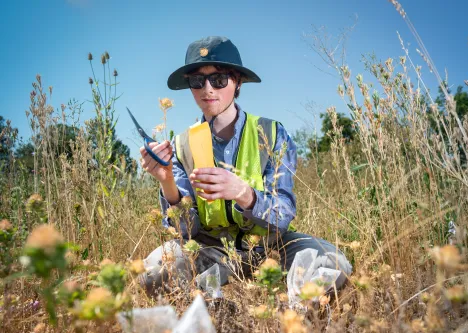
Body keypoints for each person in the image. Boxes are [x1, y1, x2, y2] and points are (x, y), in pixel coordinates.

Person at [139, 36, 352, 296]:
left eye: (218, 79)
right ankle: (216, 311)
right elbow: (185, 231)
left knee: (332, 264)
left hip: (272, 245)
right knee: (154, 272)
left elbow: (283, 215)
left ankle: (294, 322)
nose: (208, 89)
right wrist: (167, 182)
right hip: (212, 249)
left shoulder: (272, 133)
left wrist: (244, 193)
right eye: (197, 81)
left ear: (237, 81)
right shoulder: (181, 145)